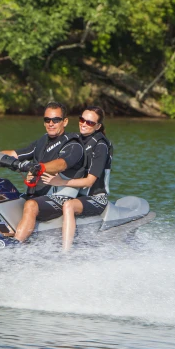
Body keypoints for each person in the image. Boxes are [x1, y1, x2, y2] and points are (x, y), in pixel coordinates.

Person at [0, 102, 84, 242]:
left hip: (61, 197)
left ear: (65, 121)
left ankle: (15, 248)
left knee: (31, 205)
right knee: (3, 197)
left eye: (56, 120)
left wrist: (37, 167)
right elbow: (14, 154)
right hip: (38, 195)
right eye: (47, 120)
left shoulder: (73, 144)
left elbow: (61, 164)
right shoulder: (42, 141)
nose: (51, 123)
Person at [41, 107, 112, 251]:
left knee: (69, 206)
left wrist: (60, 182)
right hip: (76, 195)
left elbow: (89, 182)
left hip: (97, 198)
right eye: (82, 119)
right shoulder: (76, 141)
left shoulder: (101, 146)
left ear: (98, 126)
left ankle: (66, 253)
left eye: (90, 122)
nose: (84, 124)